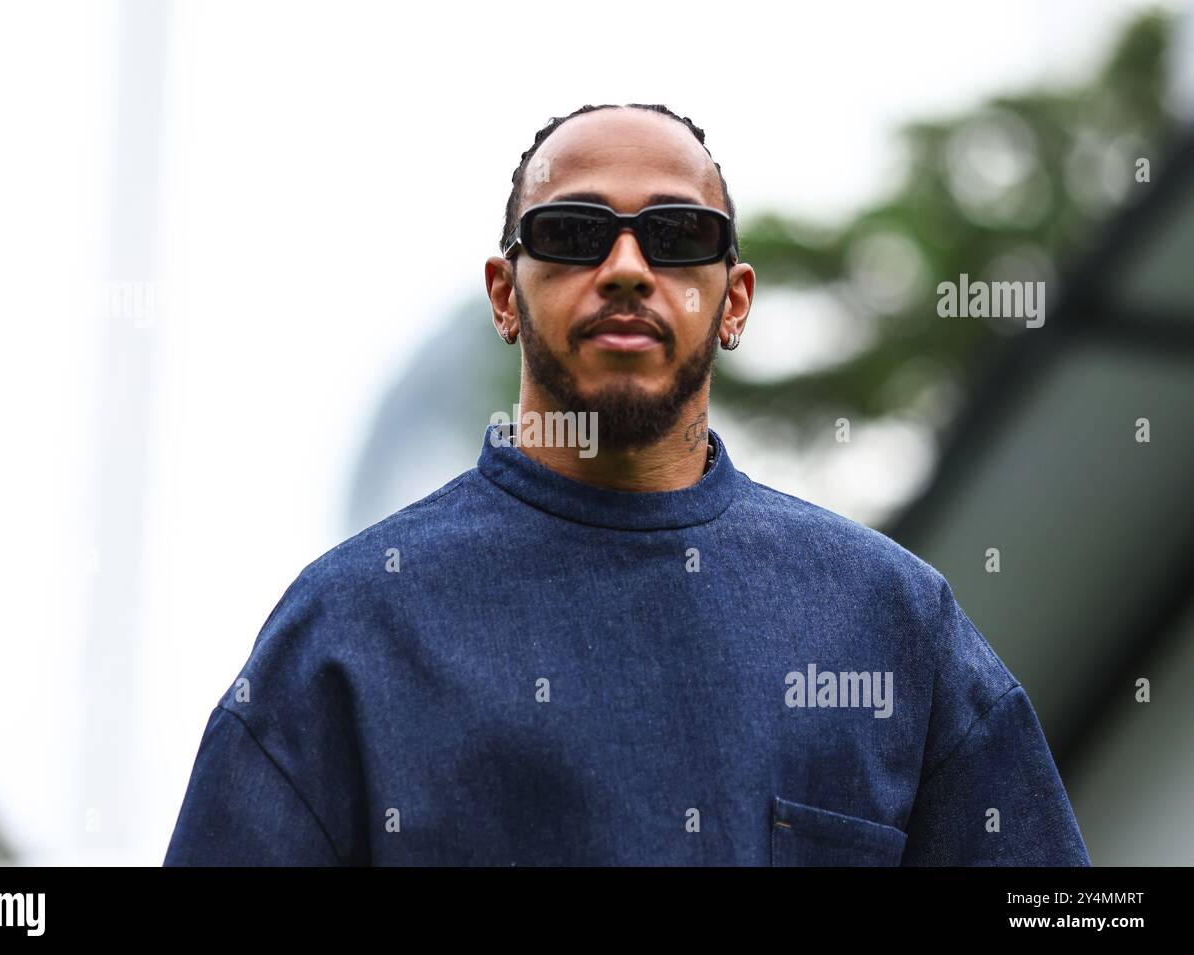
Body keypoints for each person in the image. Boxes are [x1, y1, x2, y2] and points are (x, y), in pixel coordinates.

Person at [163, 103, 1090, 866]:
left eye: (679, 235)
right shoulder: (353, 625)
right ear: (503, 293)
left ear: (733, 300)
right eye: (573, 233)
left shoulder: (890, 620)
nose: (627, 269)